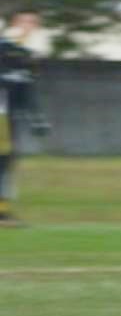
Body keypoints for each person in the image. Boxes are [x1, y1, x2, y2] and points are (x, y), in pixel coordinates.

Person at [0, 12, 50, 226]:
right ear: (14, 24)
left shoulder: (24, 61)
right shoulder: (7, 47)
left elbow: (27, 90)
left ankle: (3, 212)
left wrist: (37, 119)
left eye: (35, 24)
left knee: (6, 162)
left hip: (9, 119)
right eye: (26, 22)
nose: (31, 27)